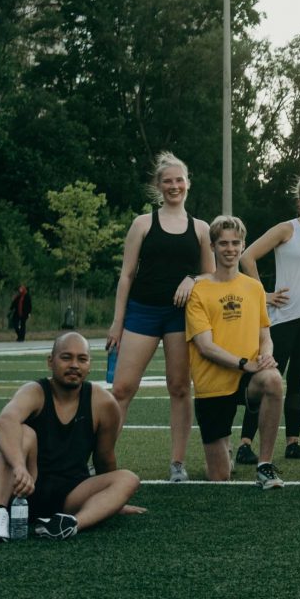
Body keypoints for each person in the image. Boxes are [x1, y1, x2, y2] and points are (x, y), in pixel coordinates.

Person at [106, 152, 213, 483]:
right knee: (122, 388)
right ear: (158, 186)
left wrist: (191, 279)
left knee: (180, 387)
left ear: (188, 184)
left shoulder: (201, 229)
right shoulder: (142, 224)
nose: (174, 186)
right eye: (167, 181)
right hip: (142, 312)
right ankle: (102, 458)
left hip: (180, 318)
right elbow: (126, 275)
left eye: (179, 180)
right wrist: (117, 322)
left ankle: (177, 463)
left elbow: (210, 275)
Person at [0, 332, 143, 541]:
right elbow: (4, 422)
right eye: (66, 357)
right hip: (24, 487)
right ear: (51, 361)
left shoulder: (103, 403)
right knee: (23, 433)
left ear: (90, 365)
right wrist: (19, 467)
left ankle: (69, 524)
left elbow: (104, 458)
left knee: (128, 479)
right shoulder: (35, 392)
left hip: (70, 495)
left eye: (82, 359)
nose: (74, 365)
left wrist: (112, 499)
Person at [239, 170, 300, 467]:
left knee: (298, 380)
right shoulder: (286, 230)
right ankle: (244, 444)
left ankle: (293, 442)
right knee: (267, 378)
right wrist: (263, 295)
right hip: (283, 318)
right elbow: (247, 257)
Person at [185, 218, 286, 489]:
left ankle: (264, 465)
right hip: (213, 384)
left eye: (235, 243)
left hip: (247, 377)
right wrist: (245, 364)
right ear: (213, 247)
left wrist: (266, 356)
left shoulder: (253, 287)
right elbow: (205, 347)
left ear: (242, 246)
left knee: (274, 379)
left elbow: (265, 334)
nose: (230, 249)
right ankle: (223, 450)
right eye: (223, 243)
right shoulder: (199, 291)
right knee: (219, 476)